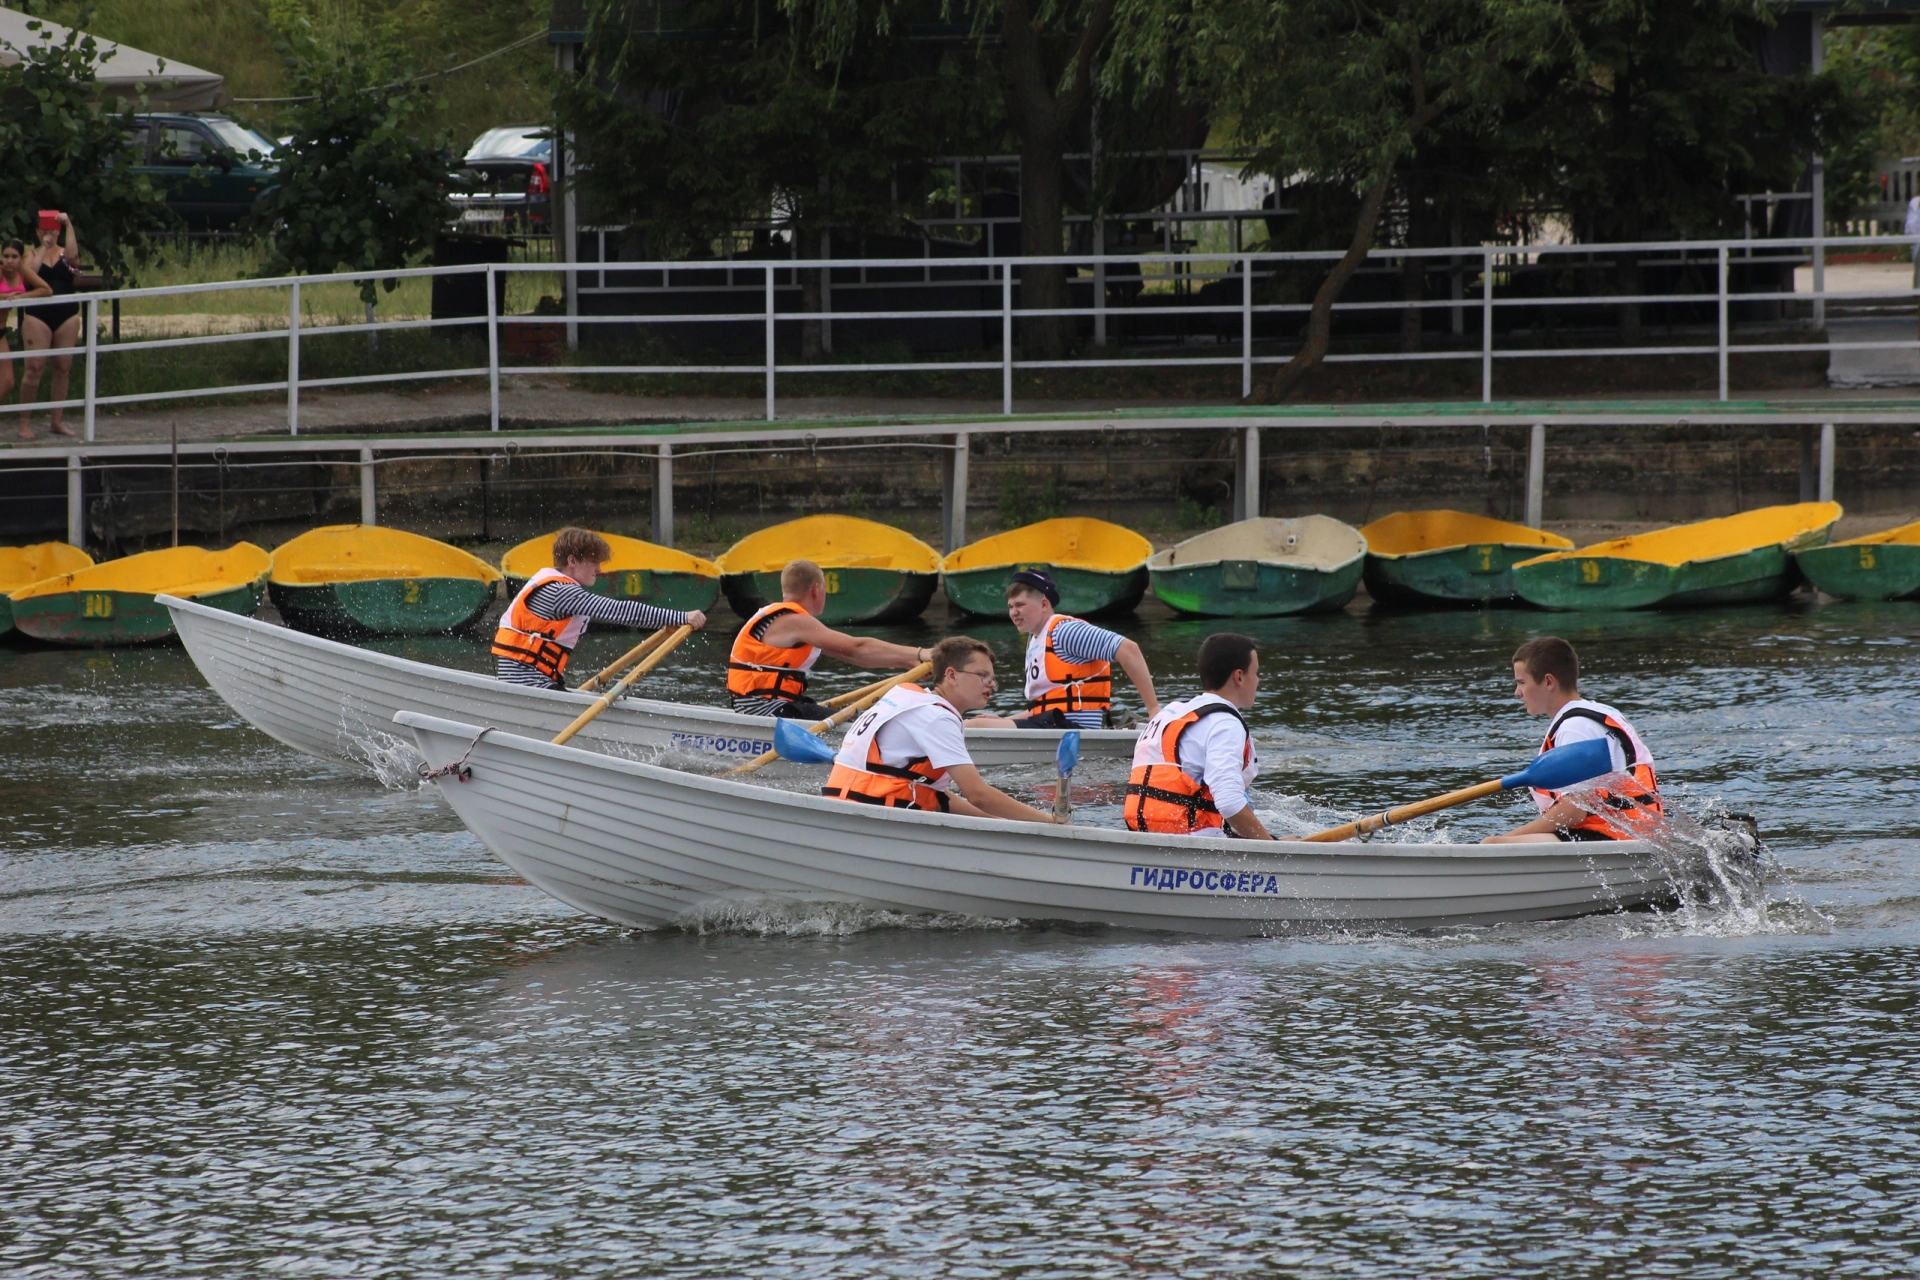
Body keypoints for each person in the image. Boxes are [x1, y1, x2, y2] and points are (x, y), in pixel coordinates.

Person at [822, 635, 1055, 822]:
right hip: (870, 817)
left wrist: (998, 821)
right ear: (951, 675)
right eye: (982, 675)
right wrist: (1048, 821)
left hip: (847, 808)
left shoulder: (907, 696)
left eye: (992, 678)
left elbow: (932, 793)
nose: (991, 685)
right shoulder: (936, 718)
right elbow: (979, 795)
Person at [1482, 636, 1663, 844]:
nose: (1517, 692)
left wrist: (1505, 837)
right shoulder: (1597, 712)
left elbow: (1573, 812)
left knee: (1491, 845)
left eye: (1522, 683)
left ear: (1549, 682)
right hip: (1635, 832)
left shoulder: (1573, 728)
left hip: (1610, 837)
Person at [492, 527, 708, 688]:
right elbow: (621, 611)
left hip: (528, 681)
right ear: (572, 561)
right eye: (593, 562)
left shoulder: (551, 583)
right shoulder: (561, 591)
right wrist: (681, 616)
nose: (599, 569)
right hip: (526, 684)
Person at [727, 559, 930, 719]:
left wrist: (905, 662)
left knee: (850, 718)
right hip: (764, 709)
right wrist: (921, 653)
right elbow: (857, 647)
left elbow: (856, 657)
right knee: (860, 724)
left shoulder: (785, 620)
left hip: (760, 705)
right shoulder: (795, 621)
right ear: (816, 589)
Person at [1123, 632, 1273, 839]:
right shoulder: (1225, 723)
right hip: (1196, 841)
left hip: (1142, 835)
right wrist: (1272, 846)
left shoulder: (1168, 714)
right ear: (1239, 676)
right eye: (1255, 673)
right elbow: (1229, 802)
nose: (1257, 680)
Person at [967, 569, 1159, 730]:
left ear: (1044, 604)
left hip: (1073, 729)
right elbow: (1045, 706)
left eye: (1020, 605)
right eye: (1010, 607)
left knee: (973, 727)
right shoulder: (1036, 640)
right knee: (978, 723)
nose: (1013, 613)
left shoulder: (1065, 631)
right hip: (1052, 724)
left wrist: (1154, 711)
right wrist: (1005, 721)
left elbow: (1129, 649)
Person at [18, 211, 82, 440]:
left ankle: (57, 420)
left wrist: (68, 224)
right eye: (44, 230)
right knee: (34, 368)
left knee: (63, 367)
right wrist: (44, 247)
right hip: (38, 315)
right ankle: (24, 422)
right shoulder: (30, 254)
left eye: (52, 230)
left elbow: (75, 259)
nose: (49, 234)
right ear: (37, 232)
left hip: (66, 314)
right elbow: (30, 274)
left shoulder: (65, 253)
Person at [0, 239, 51, 439]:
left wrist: (22, 297)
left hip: (1, 331)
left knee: (8, 380)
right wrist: (7, 297)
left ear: (21, 259)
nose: (9, 261)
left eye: (14, 257)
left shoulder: (22, 271)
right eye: (5, 257)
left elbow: (46, 290)